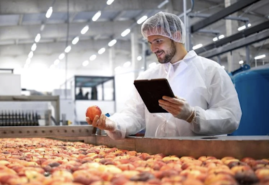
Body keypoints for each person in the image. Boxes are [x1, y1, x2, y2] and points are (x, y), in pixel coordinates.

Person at [86, 12, 242, 139]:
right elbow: (133, 114)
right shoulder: (148, 77)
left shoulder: (211, 71)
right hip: (158, 159)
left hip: (202, 160)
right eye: (150, 42)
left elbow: (231, 117)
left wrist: (193, 115)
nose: (153, 48)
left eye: (158, 41)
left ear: (177, 36)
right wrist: (113, 124)